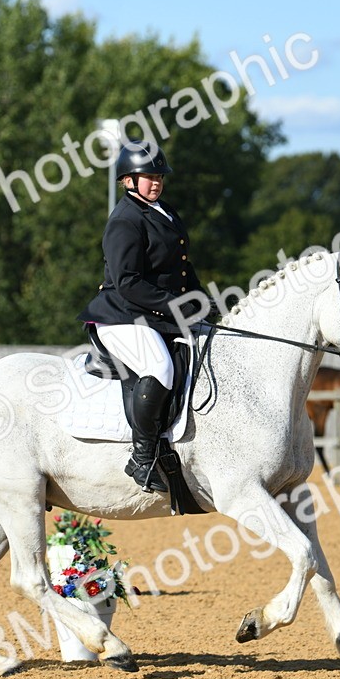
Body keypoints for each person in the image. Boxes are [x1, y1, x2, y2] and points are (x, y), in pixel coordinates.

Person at [78, 140, 203, 492]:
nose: (156, 181)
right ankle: (142, 457)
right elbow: (128, 282)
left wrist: (202, 302)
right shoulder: (125, 220)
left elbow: (183, 266)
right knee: (159, 367)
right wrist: (176, 307)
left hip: (155, 312)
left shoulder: (165, 211)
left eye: (159, 175)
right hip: (122, 315)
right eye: (148, 176)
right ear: (128, 180)